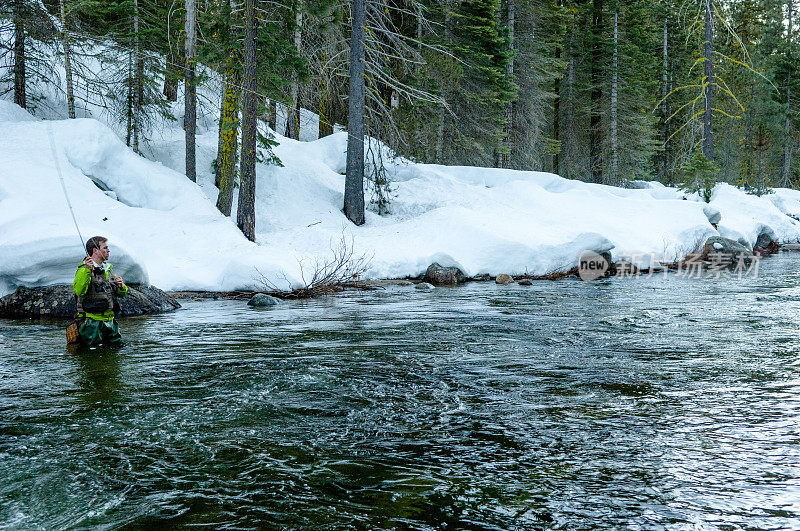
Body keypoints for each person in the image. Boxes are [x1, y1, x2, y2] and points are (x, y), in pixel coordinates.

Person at [72, 236, 128, 347]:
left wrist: (121, 287)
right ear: (95, 251)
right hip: (92, 324)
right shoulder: (83, 270)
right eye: (105, 248)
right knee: (92, 355)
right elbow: (79, 291)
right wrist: (87, 270)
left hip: (110, 322)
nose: (108, 250)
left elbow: (122, 294)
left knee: (116, 351)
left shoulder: (108, 269)